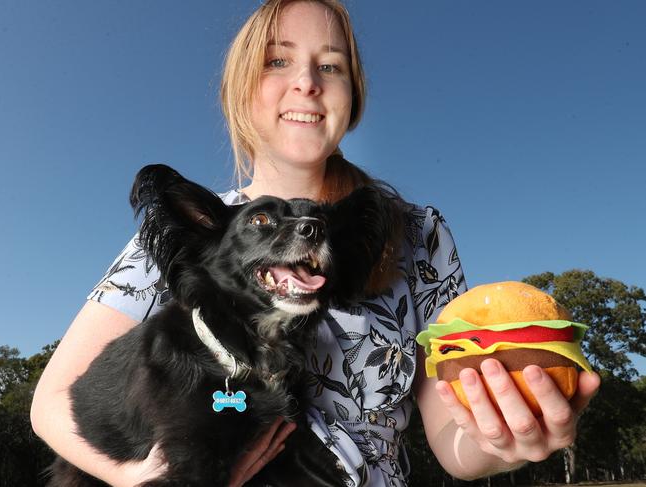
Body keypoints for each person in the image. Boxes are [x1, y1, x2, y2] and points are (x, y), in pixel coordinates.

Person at [30, 1, 601, 486]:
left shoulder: (420, 233)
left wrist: (502, 438)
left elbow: (452, 441)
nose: (307, 81)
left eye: (331, 65)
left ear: (352, 97)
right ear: (241, 90)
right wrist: (139, 478)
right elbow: (52, 403)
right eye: (279, 61)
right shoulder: (195, 238)